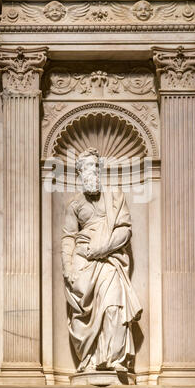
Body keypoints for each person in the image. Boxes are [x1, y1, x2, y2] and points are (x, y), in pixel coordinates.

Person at [61, 147, 142, 373]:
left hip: (109, 262)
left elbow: (125, 230)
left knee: (113, 307)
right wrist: (68, 268)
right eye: (87, 166)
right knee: (83, 317)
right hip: (83, 265)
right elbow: (68, 237)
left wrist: (102, 248)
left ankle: (113, 359)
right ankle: (89, 360)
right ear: (79, 172)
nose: (92, 170)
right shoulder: (74, 205)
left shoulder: (116, 197)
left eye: (95, 166)